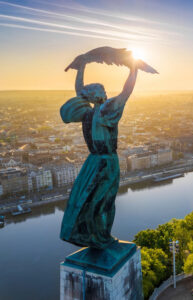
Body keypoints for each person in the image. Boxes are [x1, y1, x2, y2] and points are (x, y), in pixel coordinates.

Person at [59, 58, 139, 249]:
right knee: (106, 201)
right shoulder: (106, 112)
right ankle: (102, 237)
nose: (104, 92)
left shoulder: (88, 114)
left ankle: (91, 235)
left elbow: (80, 92)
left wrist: (82, 67)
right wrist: (134, 69)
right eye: (101, 91)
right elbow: (126, 92)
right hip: (107, 162)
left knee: (88, 200)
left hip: (93, 162)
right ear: (99, 96)